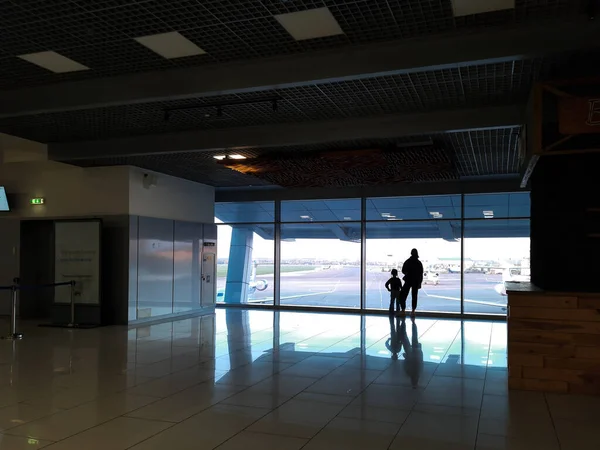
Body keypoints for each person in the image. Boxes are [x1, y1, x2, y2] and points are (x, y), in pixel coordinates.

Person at [400, 248, 424, 316]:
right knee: (414, 296)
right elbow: (421, 274)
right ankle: (413, 311)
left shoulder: (407, 261)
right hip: (416, 281)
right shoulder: (419, 263)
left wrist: (408, 273)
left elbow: (403, 270)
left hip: (408, 280)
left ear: (411, 253)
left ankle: (403, 311)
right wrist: (420, 283)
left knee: (403, 295)